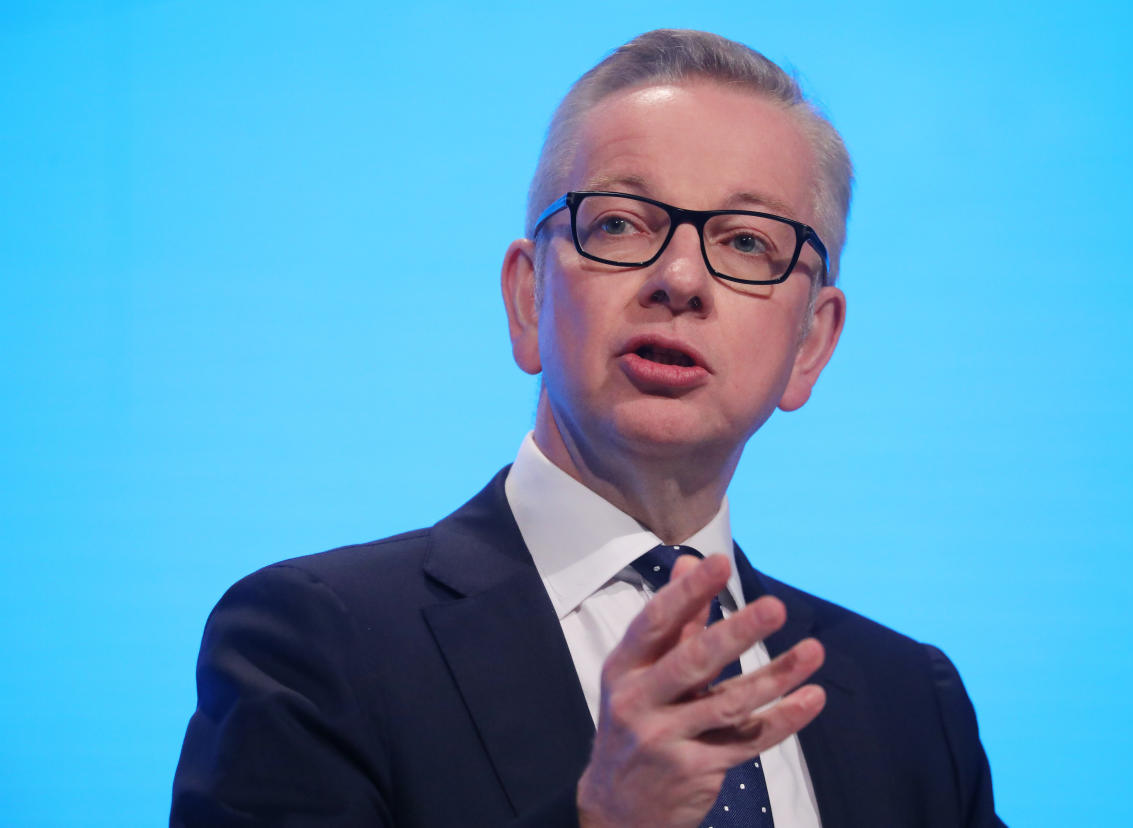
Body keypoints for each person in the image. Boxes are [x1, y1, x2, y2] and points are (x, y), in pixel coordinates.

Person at [171, 29, 1004, 828]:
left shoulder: (909, 709)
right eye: (620, 224)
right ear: (529, 299)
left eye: (748, 242)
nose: (679, 279)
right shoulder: (315, 646)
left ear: (811, 345)